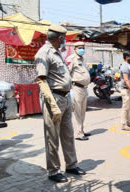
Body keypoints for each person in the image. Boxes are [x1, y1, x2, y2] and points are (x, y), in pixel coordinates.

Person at [35, 24, 86, 183]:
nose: (64, 40)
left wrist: (68, 97)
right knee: (52, 136)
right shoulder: (44, 53)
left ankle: (71, 165)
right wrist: (52, 104)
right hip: (53, 98)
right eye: (64, 38)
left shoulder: (57, 53)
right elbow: (41, 81)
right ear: (59, 38)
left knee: (68, 133)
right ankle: (53, 171)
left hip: (64, 96)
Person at [66, 42, 91, 141]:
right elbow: (66, 73)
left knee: (82, 111)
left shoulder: (82, 59)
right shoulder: (71, 59)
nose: (82, 49)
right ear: (75, 49)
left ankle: (81, 130)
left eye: (83, 48)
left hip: (84, 88)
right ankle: (78, 134)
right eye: (80, 48)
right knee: (77, 111)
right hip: (77, 88)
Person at [120, 50, 130, 131]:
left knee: (129, 107)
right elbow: (126, 80)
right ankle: (123, 124)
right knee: (125, 108)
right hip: (125, 89)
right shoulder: (125, 66)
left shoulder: (129, 65)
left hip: (128, 89)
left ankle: (128, 122)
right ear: (126, 57)